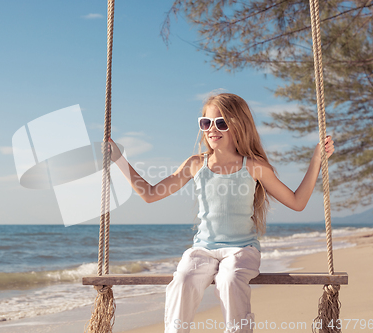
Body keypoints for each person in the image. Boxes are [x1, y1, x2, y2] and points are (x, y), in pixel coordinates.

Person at [107, 93, 334, 333]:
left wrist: (317, 159)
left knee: (229, 280)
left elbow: (297, 202)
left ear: (238, 124)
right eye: (206, 123)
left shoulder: (254, 166)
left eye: (221, 123)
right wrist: (119, 159)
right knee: (183, 279)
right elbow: (150, 194)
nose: (212, 129)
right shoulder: (196, 164)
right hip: (203, 249)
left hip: (242, 249)